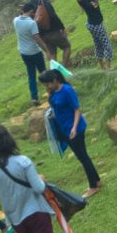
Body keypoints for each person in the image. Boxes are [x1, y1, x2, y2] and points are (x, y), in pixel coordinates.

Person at [39, 68, 102, 198]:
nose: (48, 87)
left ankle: (93, 187)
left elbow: (77, 110)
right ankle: (97, 181)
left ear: (55, 80)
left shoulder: (67, 90)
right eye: (45, 85)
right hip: (64, 129)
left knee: (83, 157)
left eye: (49, 84)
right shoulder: (53, 93)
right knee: (83, 156)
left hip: (75, 129)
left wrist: (74, 127)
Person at [63, 0, 112, 69]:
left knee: (98, 44)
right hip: (96, 25)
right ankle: (109, 66)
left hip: (92, 24)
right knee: (106, 44)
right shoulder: (83, 1)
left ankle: (102, 65)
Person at [14, 2, 53, 106]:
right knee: (43, 72)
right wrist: (47, 51)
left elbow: (20, 15)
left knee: (31, 75)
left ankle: (34, 98)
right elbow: (38, 39)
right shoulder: (32, 23)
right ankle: (51, 91)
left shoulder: (16, 20)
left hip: (23, 52)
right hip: (35, 52)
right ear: (31, 11)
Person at [29, 0, 72, 67]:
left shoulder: (29, 2)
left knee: (52, 54)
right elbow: (52, 15)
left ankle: (54, 76)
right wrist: (62, 28)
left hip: (41, 34)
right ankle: (63, 68)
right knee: (66, 47)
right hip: (53, 31)